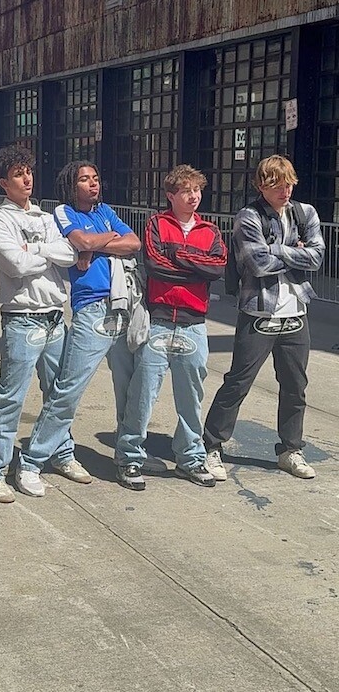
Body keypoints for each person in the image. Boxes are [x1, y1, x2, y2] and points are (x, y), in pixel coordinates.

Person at [18, 161, 141, 488]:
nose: (93, 184)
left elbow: (134, 243)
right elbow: (80, 241)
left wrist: (95, 244)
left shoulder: (106, 211)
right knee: (68, 389)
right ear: (71, 186)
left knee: (130, 387)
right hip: (92, 310)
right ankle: (32, 460)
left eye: (95, 178)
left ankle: (128, 457)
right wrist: (98, 241)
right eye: (85, 180)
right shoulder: (64, 212)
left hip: (123, 305)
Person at [203, 155, 325, 480]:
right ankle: (212, 446)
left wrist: (276, 249)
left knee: (295, 386)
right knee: (238, 382)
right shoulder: (249, 216)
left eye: (289, 184)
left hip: (296, 311)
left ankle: (290, 450)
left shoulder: (305, 213)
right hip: (258, 311)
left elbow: (317, 258)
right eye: (277, 185)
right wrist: (294, 250)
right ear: (261, 186)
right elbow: (257, 264)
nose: (285, 190)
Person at [114, 165, 227, 490]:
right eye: (186, 191)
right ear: (170, 195)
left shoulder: (211, 230)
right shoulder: (156, 224)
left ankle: (190, 458)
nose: (193, 197)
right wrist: (195, 267)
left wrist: (177, 255)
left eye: (197, 190)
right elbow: (155, 266)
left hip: (194, 324)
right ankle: (129, 457)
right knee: (143, 394)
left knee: (191, 397)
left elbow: (217, 268)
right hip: (159, 321)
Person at [0, 145, 78, 502]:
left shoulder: (45, 217)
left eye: (28, 172)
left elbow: (70, 254)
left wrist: (34, 250)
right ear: (4, 183)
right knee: (10, 398)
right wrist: (47, 255)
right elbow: (14, 266)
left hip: (55, 315)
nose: (27, 179)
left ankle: (61, 452)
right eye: (18, 175)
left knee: (59, 394)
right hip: (23, 318)